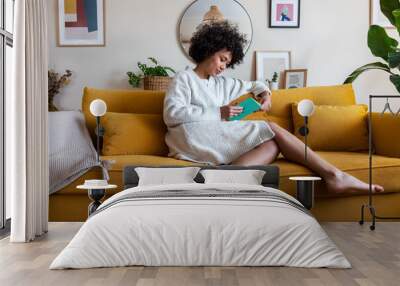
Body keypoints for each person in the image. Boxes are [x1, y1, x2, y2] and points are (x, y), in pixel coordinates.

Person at [163, 21, 384, 194]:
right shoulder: (184, 78)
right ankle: (335, 175)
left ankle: (221, 182)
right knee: (270, 127)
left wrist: (266, 94)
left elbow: (256, 84)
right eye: (222, 59)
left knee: (272, 146)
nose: (223, 67)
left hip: (213, 135)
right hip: (190, 137)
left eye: (227, 63)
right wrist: (218, 112)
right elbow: (172, 115)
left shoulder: (221, 84)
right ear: (208, 50)